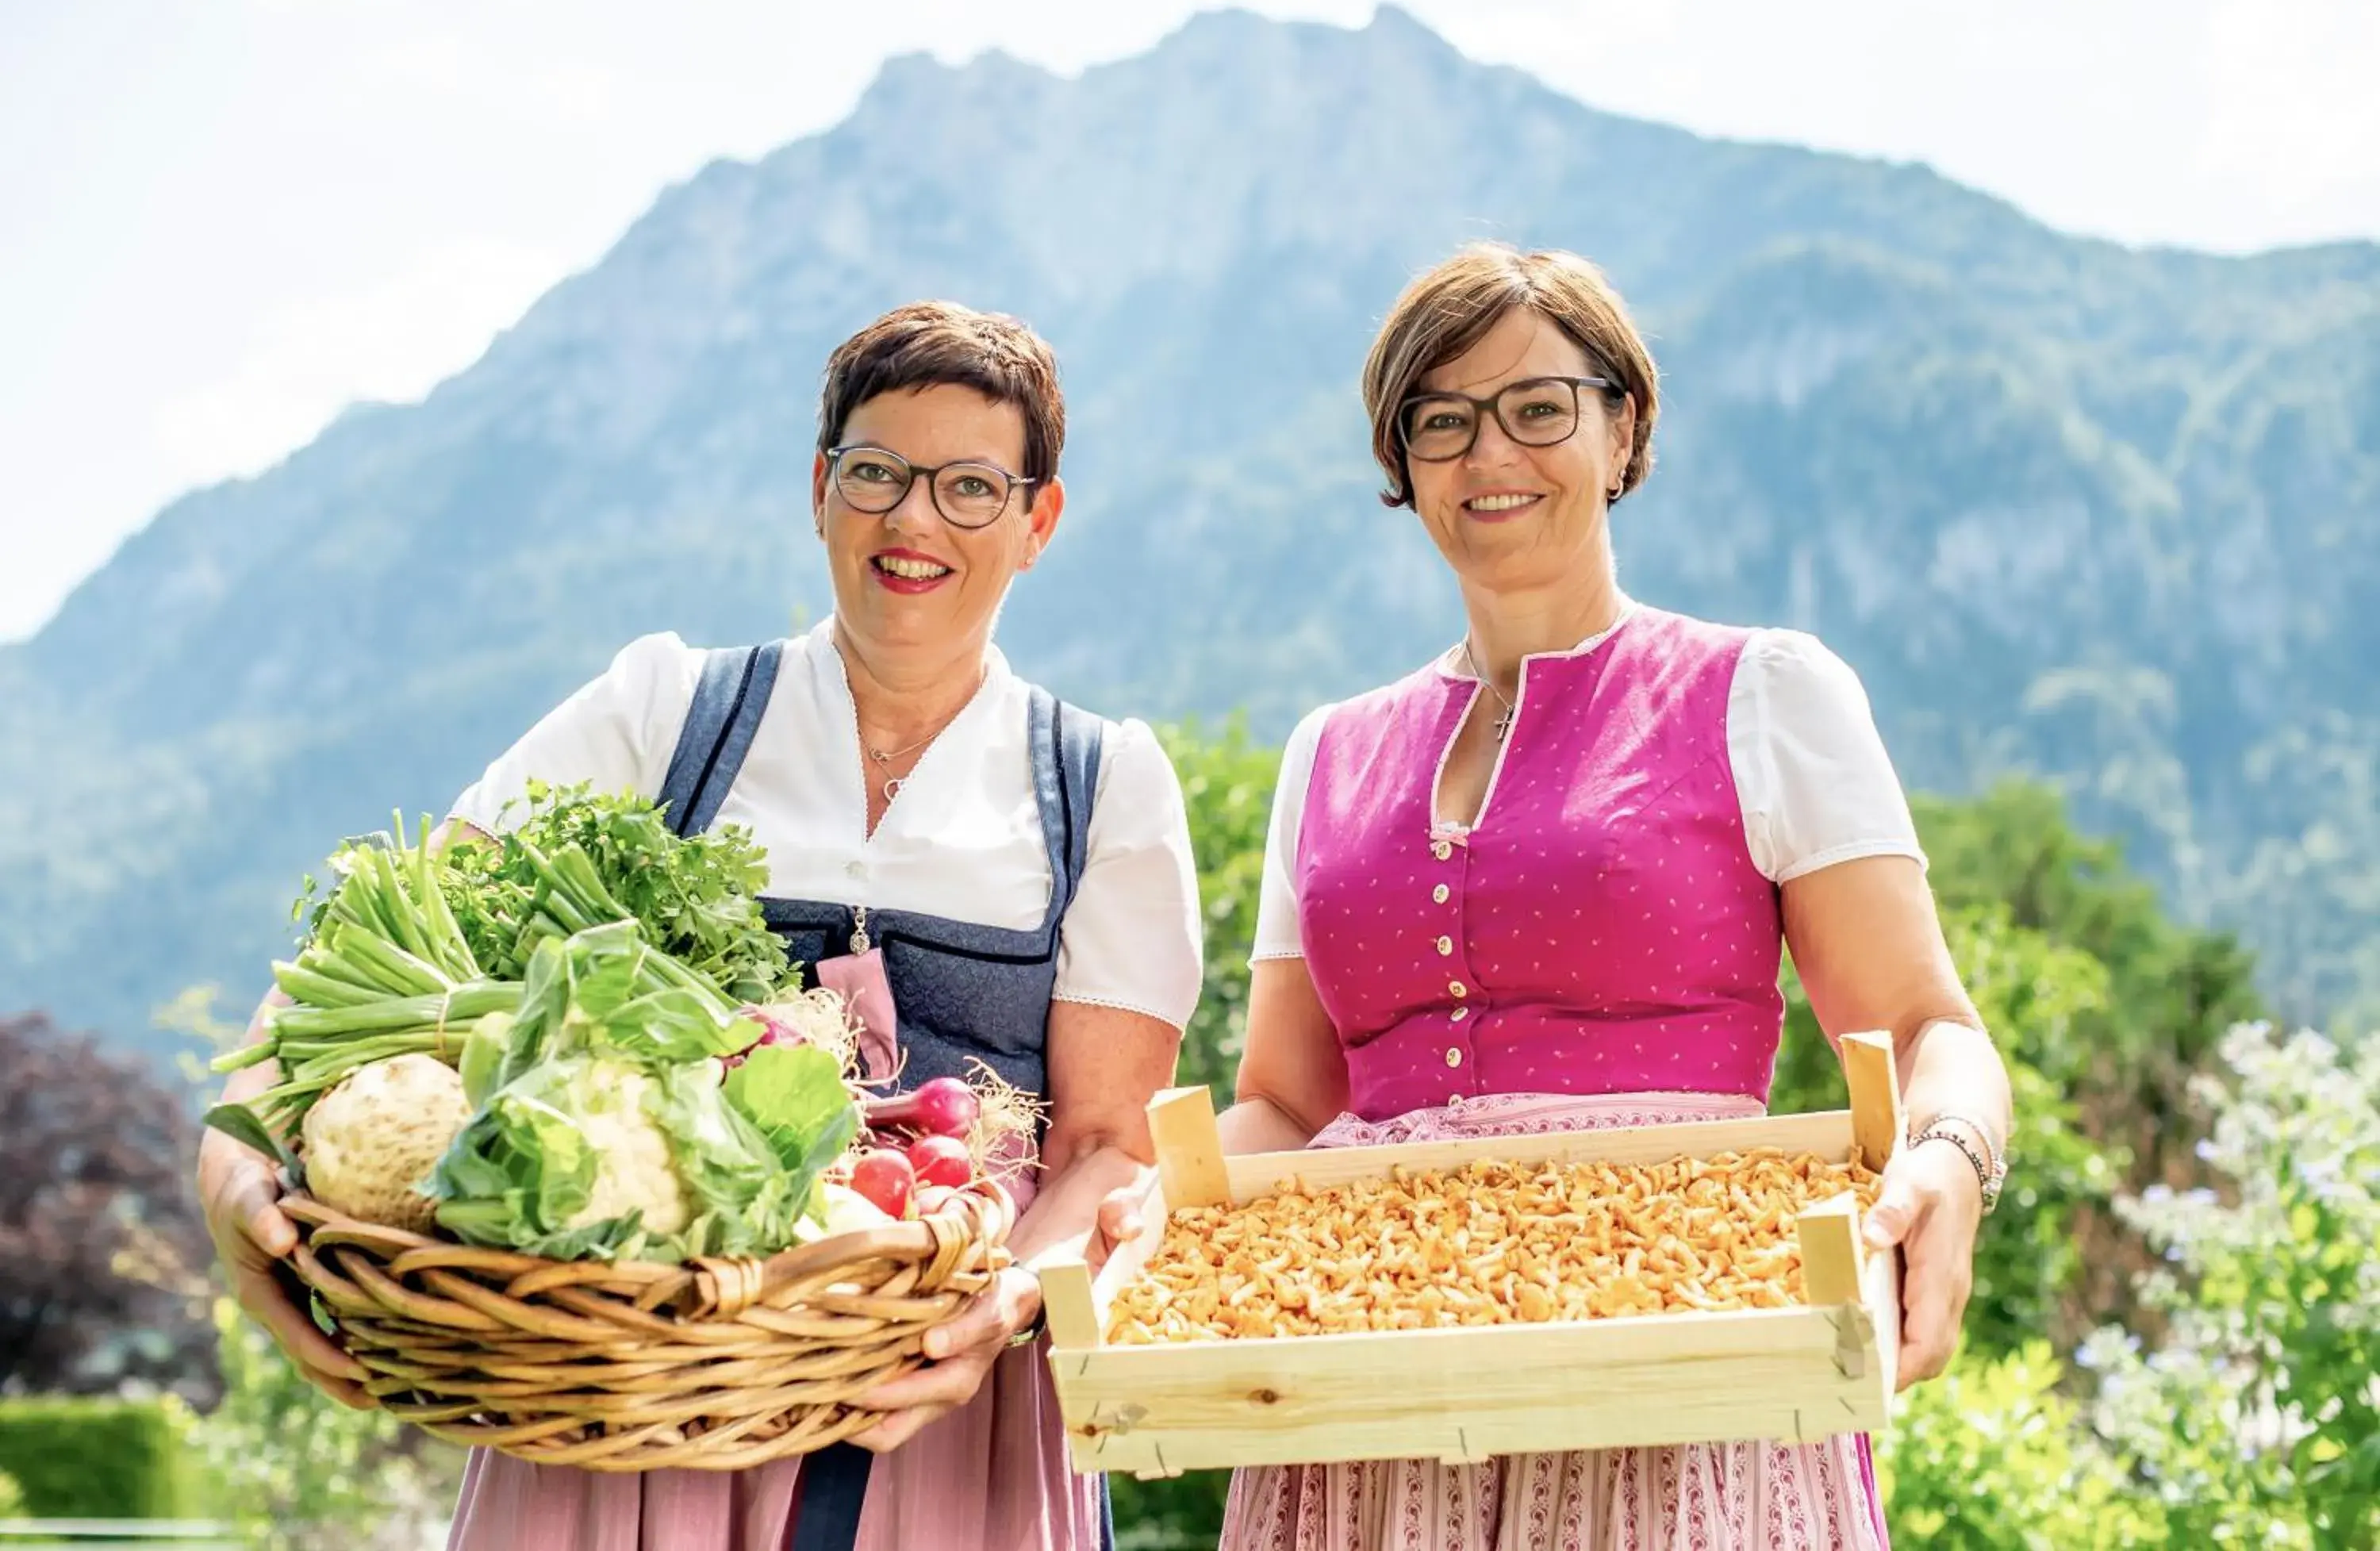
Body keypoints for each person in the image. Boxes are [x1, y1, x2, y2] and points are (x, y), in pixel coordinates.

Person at [196, 300, 1204, 1551]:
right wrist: (234, 1148)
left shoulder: (1101, 784)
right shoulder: (668, 710)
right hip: (633, 1386)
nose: (912, 521)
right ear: (820, 488)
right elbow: (378, 944)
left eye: (970, 488)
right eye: (877, 473)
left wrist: (991, 1311)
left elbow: (1109, 1145)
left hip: (946, 1415)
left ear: (1037, 522)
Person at [1117, 244, 2013, 1549]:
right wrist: (1164, 1202)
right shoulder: (1330, 751)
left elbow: (1936, 1027)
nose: (1492, 455)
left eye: (1539, 407)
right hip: (1371, 1404)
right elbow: (1292, 1103)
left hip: (1690, 1343)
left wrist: (1951, 1162)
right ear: (1402, 467)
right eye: (1442, 422)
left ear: (1622, 424)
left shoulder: (1764, 693)